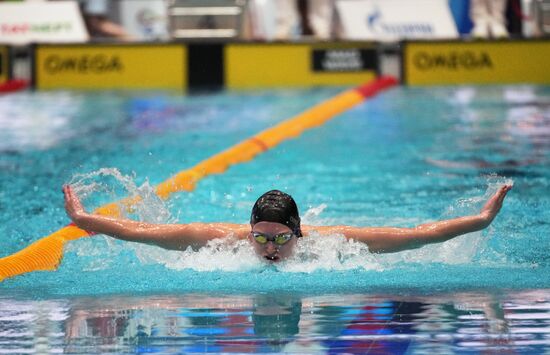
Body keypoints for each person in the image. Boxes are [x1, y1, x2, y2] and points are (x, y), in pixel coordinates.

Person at [63, 185, 512, 262]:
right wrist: (88, 220)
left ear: (298, 232)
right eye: (260, 237)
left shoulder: (330, 245)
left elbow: (417, 236)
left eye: (280, 238)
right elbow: (143, 232)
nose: (269, 249)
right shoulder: (222, 242)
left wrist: (479, 220)